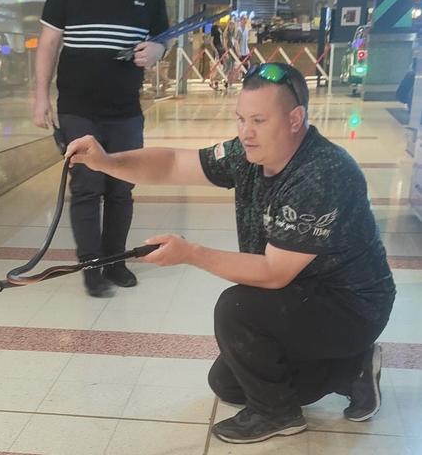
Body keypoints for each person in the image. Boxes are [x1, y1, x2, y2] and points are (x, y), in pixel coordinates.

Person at [64, 63, 396, 444]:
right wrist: (105, 161)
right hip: (302, 298)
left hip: (352, 308)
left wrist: (191, 253)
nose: (246, 132)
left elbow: (273, 273)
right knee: (227, 383)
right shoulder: (248, 153)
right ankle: (352, 368)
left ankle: (279, 413)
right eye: (240, 119)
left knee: (237, 308)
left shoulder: (322, 173)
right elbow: (174, 163)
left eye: (258, 120)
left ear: (295, 119)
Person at [33, 0, 169, 297]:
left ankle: (114, 261)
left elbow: (163, 37)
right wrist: (40, 96)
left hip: (125, 110)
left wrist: (157, 51)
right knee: (87, 187)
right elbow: (49, 42)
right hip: (78, 108)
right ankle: (91, 265)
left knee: (121, 189)